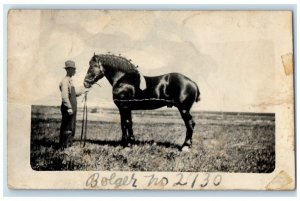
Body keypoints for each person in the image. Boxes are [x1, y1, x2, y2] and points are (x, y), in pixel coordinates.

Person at [59, 60, 88, 148]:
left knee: (71, 126)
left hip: (72, 107)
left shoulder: (70, 81)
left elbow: (73, 93)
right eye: (73, 69)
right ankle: (65, 146)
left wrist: (84, 90)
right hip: (69, 107)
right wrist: (69, 107)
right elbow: (64, 96)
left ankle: (68, 144)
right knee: (68, 127)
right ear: (69, 70)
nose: (75, 71)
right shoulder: (65, 81)